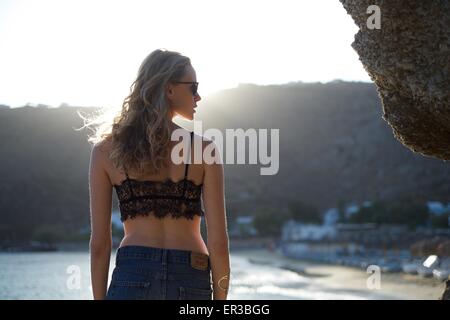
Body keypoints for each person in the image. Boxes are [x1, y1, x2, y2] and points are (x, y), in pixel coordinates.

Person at [84, 49, 230, 300]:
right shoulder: (204, 150)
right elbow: (218, 244)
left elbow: (99, 245)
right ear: (169, 89)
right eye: (192, 87)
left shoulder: (106, 151)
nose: (199, 96)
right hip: (191, 275)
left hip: (132, 274)